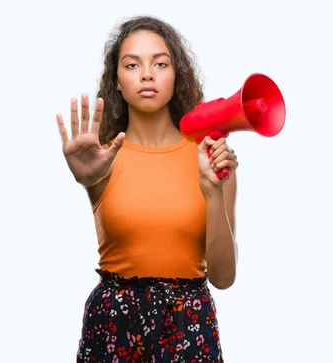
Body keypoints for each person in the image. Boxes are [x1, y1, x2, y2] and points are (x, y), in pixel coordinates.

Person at [56, 15, 238, 363]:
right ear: (118, 83)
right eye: (132, 64)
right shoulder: (103, 159)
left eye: (160, 63)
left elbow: (224, 278)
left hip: (190, 325)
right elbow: (93, 177)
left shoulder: (210, 157)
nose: (147, 73)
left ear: (176, 75)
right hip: (113, 325)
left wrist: (213, 189)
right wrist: (87, 179)